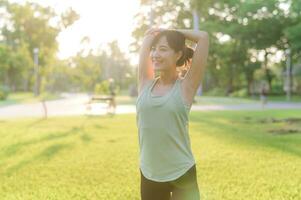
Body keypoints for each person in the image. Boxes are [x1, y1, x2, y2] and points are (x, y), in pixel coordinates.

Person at [136, 28, 209, 200]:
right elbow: (147, 37)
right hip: (149, 173)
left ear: (178, 54)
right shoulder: (144, 83)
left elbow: (203, 37)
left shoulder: (186, 87)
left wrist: (171, 31)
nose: (155, 54)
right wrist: (153, 37)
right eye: (154, 49)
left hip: (181, 172)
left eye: (163, 49)